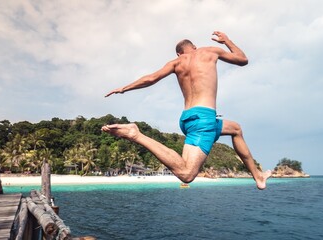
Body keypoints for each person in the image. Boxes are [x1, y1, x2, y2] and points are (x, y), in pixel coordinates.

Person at [102, 31, 272, 189]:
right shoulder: (210, 51)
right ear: (194, 47)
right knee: (187, 174)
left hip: (188, 118)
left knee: (235, 129)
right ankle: (136, 134)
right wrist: (226, 40)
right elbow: (242, 59)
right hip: (204, 119)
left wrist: (124, 88)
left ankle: (258, 176)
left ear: (179, 53)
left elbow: (151, 78)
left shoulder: (176, 63)